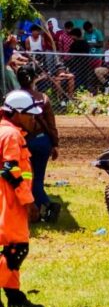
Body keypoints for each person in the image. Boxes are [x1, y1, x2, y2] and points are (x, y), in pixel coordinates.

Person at [0, 91, 42, 307]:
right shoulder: (11, 135)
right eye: (29, 115)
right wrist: (29, 201)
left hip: (7, 198)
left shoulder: (6, 131)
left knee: (10, 249)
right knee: (16, 249)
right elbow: (11, 170)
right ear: (16, 113)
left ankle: (14, 295)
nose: (33, 119)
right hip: (11, 199)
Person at [14, 66, 60, 222]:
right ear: (34, 79)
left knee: (20, 178)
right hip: (42, 141)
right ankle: (44, 207)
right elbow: (51, 124)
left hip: (20, 142)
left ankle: (33, 209)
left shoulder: (11, 98)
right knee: (37, 179)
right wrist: (55, 144)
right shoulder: (43, 98)